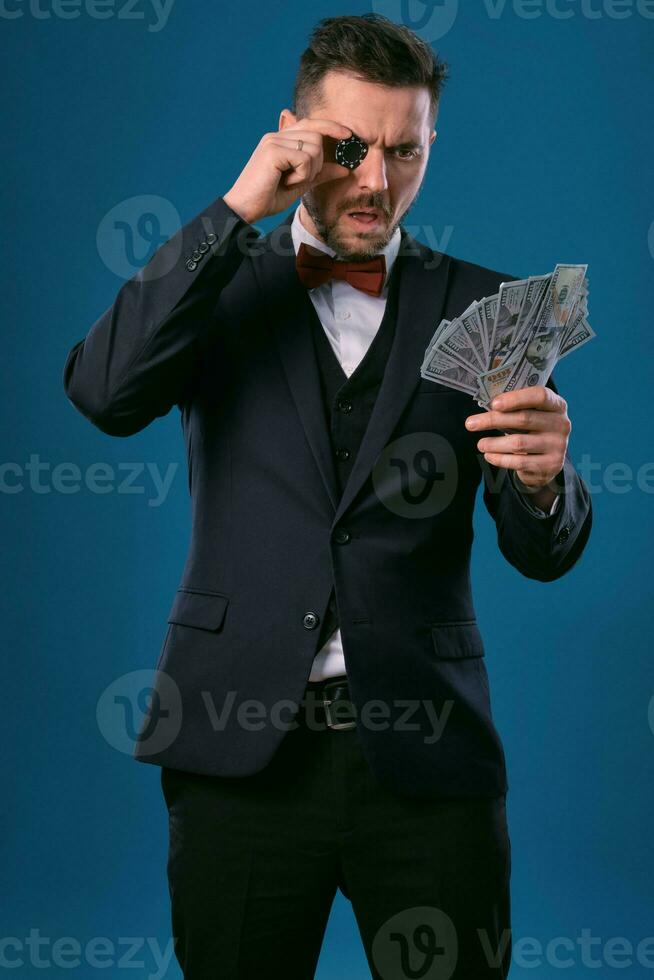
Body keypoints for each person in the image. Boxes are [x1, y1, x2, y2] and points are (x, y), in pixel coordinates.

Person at [62, 13, 592, 979]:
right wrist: (233, 213)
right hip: (238, 755)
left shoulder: (497, 310)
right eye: (350, 150)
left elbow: (542, 553)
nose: (377, 183)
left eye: (405, 151)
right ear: (293, 139)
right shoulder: (211, 289)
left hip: (429, 757)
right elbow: (101, 392)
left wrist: (547, 483)